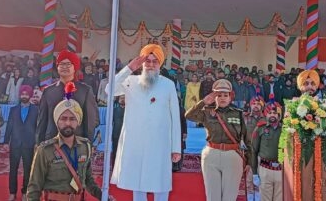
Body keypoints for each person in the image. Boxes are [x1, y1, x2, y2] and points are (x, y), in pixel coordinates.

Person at [108, 44, 181, 201]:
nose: (151, 65)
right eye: (147, 61)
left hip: (160, 144)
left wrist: (176, 148)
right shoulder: (131, 81)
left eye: (155, 61)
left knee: (160, 183)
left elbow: (175, 116)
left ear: (160, 64)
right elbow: (110, 90)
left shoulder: (168, 84)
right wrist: (129, 68)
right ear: (141, 63)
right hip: (136, 143)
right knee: (138, 183)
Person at [27, 85, 115, 201]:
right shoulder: (44, 150)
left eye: (72, 119)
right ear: (57, 122)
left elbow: (89, 181)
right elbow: (34, 188)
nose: (68, 123)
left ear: (78, 122)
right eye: (63, 118)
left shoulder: (85, 146)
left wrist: (103, 197)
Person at [185, 79, 252, 201]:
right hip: (211, 154)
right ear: (213, 97)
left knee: (229, 197)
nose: (222, 98)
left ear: (230, 97)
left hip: (232, 155)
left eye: (225, 95)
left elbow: (247, 140)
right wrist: (203, 102)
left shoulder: (238, 114)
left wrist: (249, 162)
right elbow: (188, 115)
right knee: (212, 196)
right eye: (218, 95)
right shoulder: (206, 112)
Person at [37, 50, 99, 143]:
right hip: (51, 144)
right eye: (61, 64)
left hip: (76, 144)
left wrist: (87, 144)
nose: (64, 67)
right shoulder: (48, 91)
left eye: (68, 64)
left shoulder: (85, 90)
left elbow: (91, 121)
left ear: (75, 67)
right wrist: (39, 143)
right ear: (57, 67)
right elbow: (42, 121)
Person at [4, 85, 38, 201]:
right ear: (20, 95)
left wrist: (37, 142)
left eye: (26, 94)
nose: (24, 96)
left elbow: (38, 128)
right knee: (13, 169)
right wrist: (5, 141)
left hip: (29, 144)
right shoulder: (14, 109)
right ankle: (12, 193)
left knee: (28, 170)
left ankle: (25, 193)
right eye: (22, 94)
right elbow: (9, 126)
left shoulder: (36, 110)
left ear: (30, 95)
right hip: (15, 143)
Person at [252, 95, 283, 201]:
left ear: (279, 115)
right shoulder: (260, 128)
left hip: (281, 170)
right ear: (266, 114)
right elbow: (254, 150)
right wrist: (254, 172)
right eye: (270, 113)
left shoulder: (285, 129)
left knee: (279, 198)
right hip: (265, 169)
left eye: (275, 113)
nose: (272, 115)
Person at [111, 94, 125, 165]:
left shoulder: (130, 107)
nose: (123, 98)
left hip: (126, 135)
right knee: (115, 153)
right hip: (116, 134)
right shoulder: (114, 105)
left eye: (124, 97)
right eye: (121, 97)